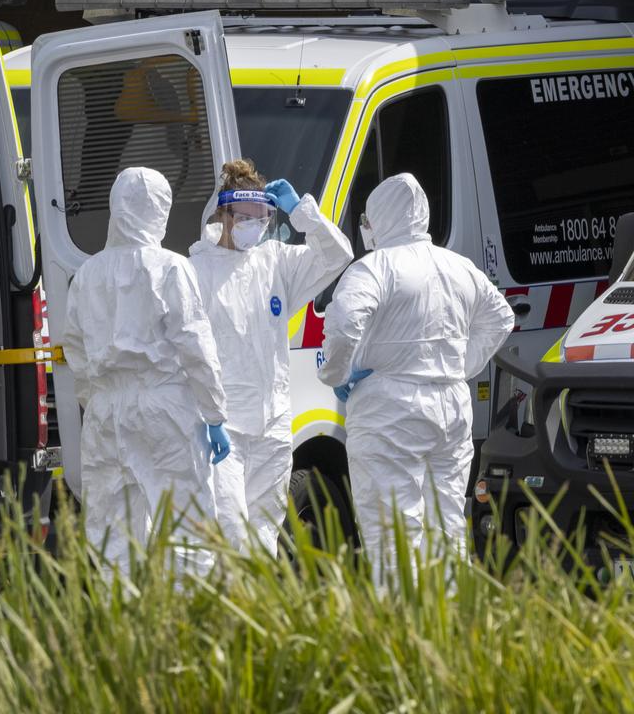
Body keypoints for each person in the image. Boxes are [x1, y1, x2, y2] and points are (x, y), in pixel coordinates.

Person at [318, 173, 513, 587]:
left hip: (389, 410)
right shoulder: (459, 266)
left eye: (368, 221)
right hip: (451, 407)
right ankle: (450, 625)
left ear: (382, 219)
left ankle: (402, 632)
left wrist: (337, 373)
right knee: (446, 524)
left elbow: (342, 323)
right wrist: (462, 367)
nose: (365, 230)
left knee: (392, 529)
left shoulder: (374, 268)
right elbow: (501, 318)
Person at [62, 167, 232, 579]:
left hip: (105, 414)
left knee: (110, 537)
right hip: (164, 409)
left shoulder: (86, 275)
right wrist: (215, 415)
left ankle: (118, 631)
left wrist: (97, 400)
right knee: (187, 528)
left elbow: (75, 349)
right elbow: (195, 345)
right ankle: (185, 631)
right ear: (161, 211)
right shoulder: (171, 268)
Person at [190, 160, 353, 555]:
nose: (255, 224)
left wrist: (302, 213)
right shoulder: (197, 270)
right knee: (227, 531)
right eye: (244, 216)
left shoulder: (275, 261)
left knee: (264, 533)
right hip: (223, 429)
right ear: (224, 215)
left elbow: (338, 254)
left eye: (262, 215)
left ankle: (256, 613)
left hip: (273, 425)